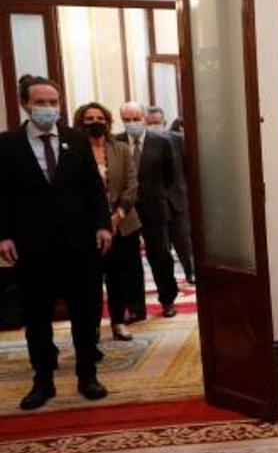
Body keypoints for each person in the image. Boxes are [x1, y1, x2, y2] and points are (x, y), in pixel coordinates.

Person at [0, 76, 112, 409]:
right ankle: (43, 381)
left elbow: (93, 188)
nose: (48, 108)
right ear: (25, 104)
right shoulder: (7, 145)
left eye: (53, 102)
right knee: (37, 317)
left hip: (79, 244)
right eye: (41, 102)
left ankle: (87, 375)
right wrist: (3, 235)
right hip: (32, 246)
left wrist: (103, 226)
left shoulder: (75, 140)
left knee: (85, 313)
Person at [74, 103, 141, 342]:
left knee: (118, 276)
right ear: (81, 122)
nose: (96, 122)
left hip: (123, 223)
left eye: (100, 118)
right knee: (90, 280)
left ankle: (118, 322)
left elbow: (132, 185)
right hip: (88, 226)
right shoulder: (73, 150)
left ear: (108, 121)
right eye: (89, 118)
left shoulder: (120, 148)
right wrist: (98, 221)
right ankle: (91, 325)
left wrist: (117, 215)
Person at [118, 102, 180, 318]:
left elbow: (170, 175)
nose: (132, 123)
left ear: (143, 118)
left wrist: (157, 195)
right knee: (129, 259)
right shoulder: (116, 142)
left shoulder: (161, 142)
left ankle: (168, 300)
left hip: (155, 208)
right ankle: (135, 307)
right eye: (127, 120)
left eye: (135, 118)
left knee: (161, 256)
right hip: (126, 210)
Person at [146, 106, 194, 284]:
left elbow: (189, 169)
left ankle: (191, 272)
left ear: (164, 122)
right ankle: (167, 283)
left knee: (184, 242)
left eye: (157, 122)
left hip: (177, 201)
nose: (154, 126)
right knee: (160, 249)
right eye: (150, 123)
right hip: (153, 204)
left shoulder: (178, 140)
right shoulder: (141, 143)